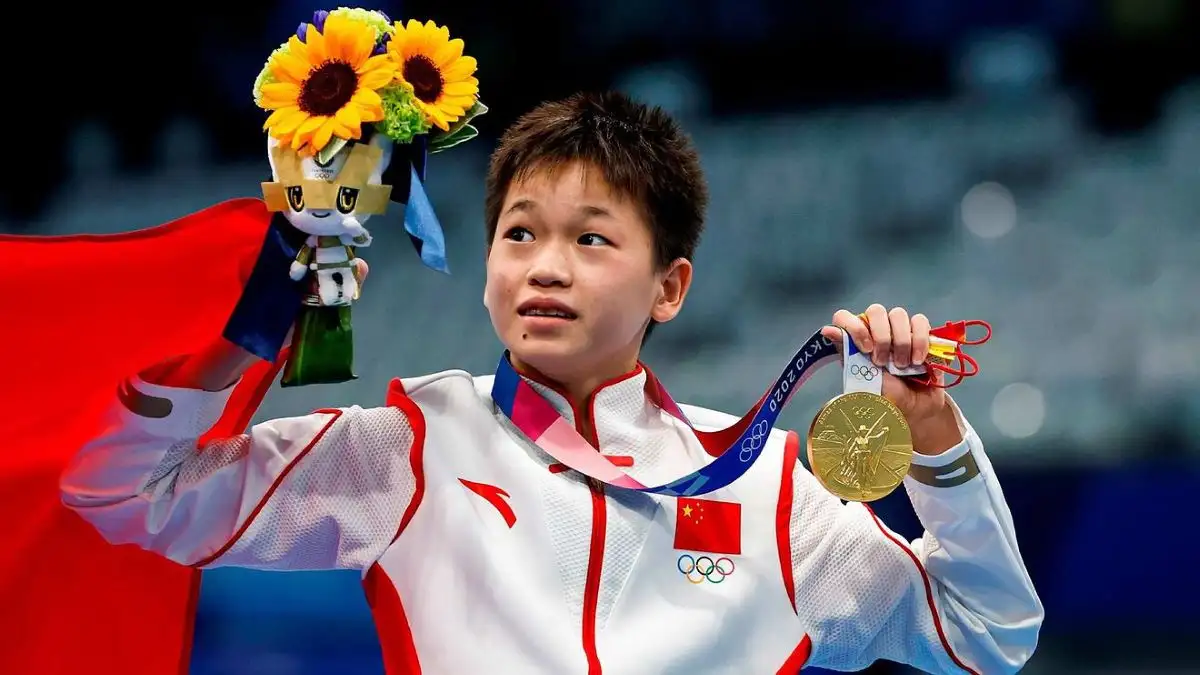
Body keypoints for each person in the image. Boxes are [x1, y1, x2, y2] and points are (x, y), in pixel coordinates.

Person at [57, 89, 1043, 674]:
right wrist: (249, 333)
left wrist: (936, 443)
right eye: (519, 232)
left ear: (670, 287)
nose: (545, 267)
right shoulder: (414, 444)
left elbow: (989, 633)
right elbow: (123, 494)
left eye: (591, 239)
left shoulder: (772, 492)